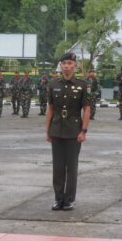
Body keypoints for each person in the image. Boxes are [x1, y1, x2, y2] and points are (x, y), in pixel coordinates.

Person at [46, 52, 91, 211]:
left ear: (75, 66)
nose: (66, 66)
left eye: (69, 63)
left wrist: (84, 130)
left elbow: (86, 109)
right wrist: (47, 131)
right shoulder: (53, 84)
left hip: (74, 130)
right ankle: (58, 199)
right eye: (64, 63)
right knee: (57, 167)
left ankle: (69, 199)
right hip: (57, 129)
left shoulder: (83, 85)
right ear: (61, 65)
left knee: (71, 167)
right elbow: (50, 109)